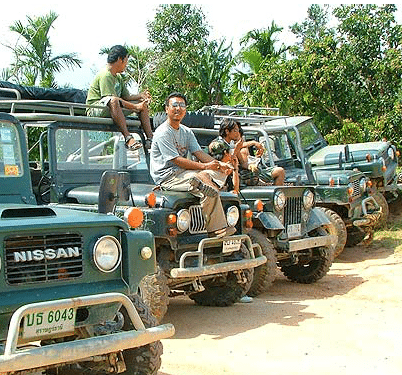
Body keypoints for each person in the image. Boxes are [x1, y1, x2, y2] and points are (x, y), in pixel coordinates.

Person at [150, 92, 236, 238]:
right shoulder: (162, 132)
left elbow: (199, 153)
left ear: (186, 109)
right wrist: (205, 167)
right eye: (174, 105)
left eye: (182, 105)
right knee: (205, 179)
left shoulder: (186, 131)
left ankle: (201, 182)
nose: (178, 108)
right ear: (166, 109)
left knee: (217, 175)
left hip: (186, 173)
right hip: (168, 177)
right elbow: (176, 160)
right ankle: (216, 228)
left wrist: (220, 165)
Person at [86, 45, 153, 150]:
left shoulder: (118, 77)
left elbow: (126, 97)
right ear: (119, 59)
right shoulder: (105, 75)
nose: (126, 64)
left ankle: (150, 139)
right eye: (126, 60)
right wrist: (136, 107)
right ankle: (128, 137)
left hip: (114, 107)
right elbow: (111, 99)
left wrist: (141, 96)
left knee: (142, 104)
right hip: (97, 109)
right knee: (114, 101)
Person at [215, 118, 285, 186]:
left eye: (238, 132)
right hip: (234, 177)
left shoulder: (233, 145)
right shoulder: (219, 145)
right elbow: (225, 163)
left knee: (280, 171)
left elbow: (242, 161)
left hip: (246, 174)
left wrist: (255, 160)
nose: (237, 134)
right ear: (227, 131)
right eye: (235, 131)